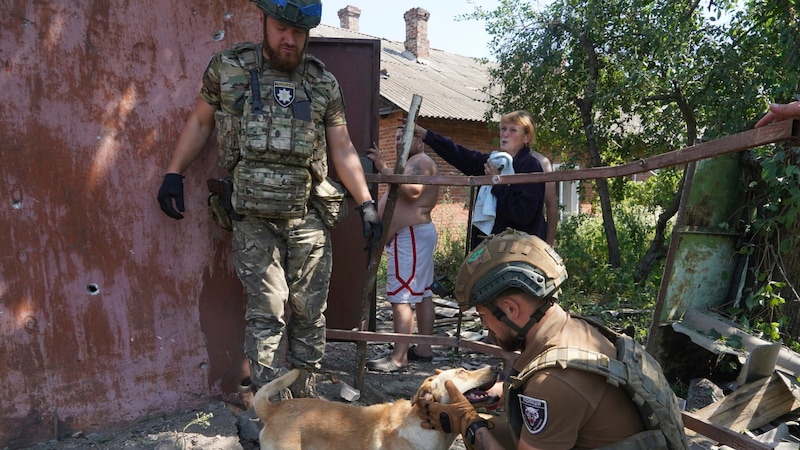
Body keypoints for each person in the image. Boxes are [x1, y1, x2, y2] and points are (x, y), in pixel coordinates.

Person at [155, 0, 382, 403]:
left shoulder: (321, 82)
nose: (289, 39)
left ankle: (304, 400)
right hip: (252, 215)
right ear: (264, 21)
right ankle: (269, 404)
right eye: (281, 28)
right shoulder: (229, 69)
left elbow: (342, 147)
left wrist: (365, 202)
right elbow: (200, 121)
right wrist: (174, 173)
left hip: (307, 213)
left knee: (310, 311)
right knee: (268, 309)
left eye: (298, 32)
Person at [415, 229, 689, 449]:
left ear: (511, 309)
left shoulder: (554, 381)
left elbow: (555, 393)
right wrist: (487, 394)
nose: (485, 326)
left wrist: (468, 424)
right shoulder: (575, 331)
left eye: (484, 315)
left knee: (481, 432)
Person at [411, 111, 547, 250]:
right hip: (490, 250)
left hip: (517, 252)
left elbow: (522, 214)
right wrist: (426, 135)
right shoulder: (495, 161)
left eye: (513, 130)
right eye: (503, 129)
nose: (505, 134)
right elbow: (460, 155)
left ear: (526, 138)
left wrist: (496, 182)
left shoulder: (530, 165)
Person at [364, 126, 439, 372]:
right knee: (422, 293)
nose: (398, 142)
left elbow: (412, 190)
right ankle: (423, 349)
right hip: (413, 236)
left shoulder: (421, 160)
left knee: (402, 296)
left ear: (419, 140)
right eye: (396, 137)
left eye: (404, 137)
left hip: (411, 236)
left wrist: (384, 169)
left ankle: (399, 357)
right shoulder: (413, 162)